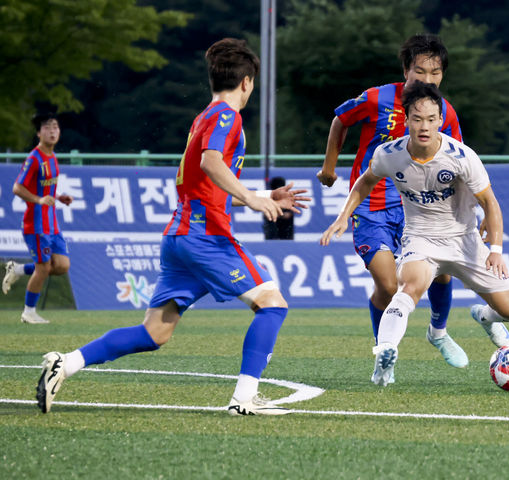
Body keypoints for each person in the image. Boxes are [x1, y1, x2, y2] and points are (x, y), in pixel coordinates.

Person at [35, 38, 309, 416]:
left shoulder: (204, 116)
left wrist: (265, 194)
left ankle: (63, 364)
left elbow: (206, 180)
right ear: (246, 82)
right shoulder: (227, 117)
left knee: (154, 333)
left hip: (181, 236)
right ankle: (244, 400)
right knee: (272, 305)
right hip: (204, 238)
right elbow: (213, 163)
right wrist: (253, 198)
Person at [321, 82, 509, 386]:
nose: (423, 126)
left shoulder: (462, 157)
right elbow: (364, 182)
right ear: (406, 119)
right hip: (421, 239)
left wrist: (495, 249)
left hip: (465, 241)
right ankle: (385, 354)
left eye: (430, 119)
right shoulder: (390, 154)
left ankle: (482, 316)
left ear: (440, 120)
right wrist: (342, 216)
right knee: (408, 287)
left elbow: (490, 203)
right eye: (417, 119)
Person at [317, 34, 468, 370]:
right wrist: (329, 166)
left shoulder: (445, 113)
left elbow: (459, 163)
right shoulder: (376, 99)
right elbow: (341, 120)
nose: (427, 80)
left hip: (419, 207)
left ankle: (438, 331)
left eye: (435, 73)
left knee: (441, 273)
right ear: (405, 70)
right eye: (420, 71)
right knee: (387, 287)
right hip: (370, 206)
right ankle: (383, 351)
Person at [2, 113, 73, 324]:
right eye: (47, 127)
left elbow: (46, 187)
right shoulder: (34, 158)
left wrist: (59, 197)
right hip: (36, 223)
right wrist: (39, 200)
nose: (52, 131)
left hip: (52, 223)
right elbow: (17, 187)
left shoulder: (52, 157)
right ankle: (28, 312)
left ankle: (18, 269)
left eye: (55, 127)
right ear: (39, 133)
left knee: (61, 265)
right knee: (43, 268)